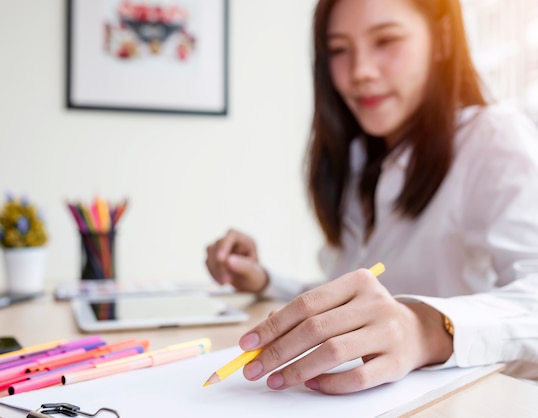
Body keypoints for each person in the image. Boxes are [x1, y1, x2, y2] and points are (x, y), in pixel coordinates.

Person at [205, 0, 538, 395]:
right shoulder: (360, 160)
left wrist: (423, 327)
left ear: (443, 40)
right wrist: (264, 279)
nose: (360, 72)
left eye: (386, 40)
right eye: (339, 50)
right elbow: (355, 302)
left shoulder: (494, 138)